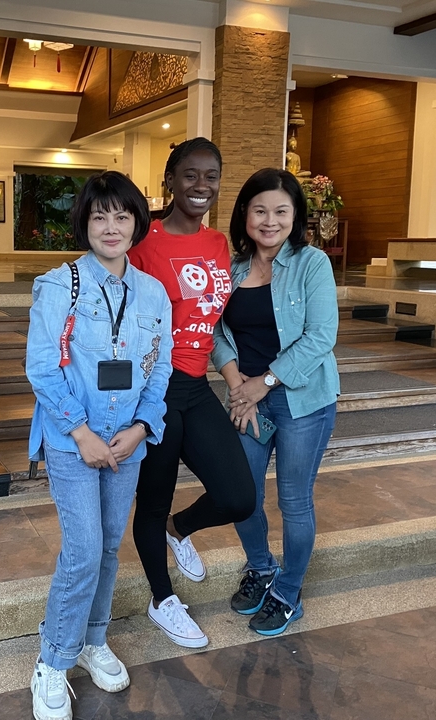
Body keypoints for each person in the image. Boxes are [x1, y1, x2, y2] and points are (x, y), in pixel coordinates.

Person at [25, 170, 173, 720]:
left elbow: (157, 372)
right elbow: (42, 367)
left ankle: (92, 640)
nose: (111, 227)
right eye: (99, 216)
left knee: (110, 548)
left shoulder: (153, 292)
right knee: (83, 551)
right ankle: (52, 661)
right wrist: (81, 433)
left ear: (137, 222)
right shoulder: (59, 285)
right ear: (84, 223)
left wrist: (140, 429)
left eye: (122, 215)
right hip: (74, 442)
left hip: (126, 440)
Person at [127, 137, 257, 649]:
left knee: (238, 495)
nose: (201, 186)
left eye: (211, 177)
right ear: (169, 182)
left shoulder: (219, 244)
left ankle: (180, 530)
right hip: (155, 388)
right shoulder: (143, 245)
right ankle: (162, 600)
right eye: (190, 175)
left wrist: (239, 376)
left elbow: (216, 319)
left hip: (197, 384)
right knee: (152, 501)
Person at [212, 167, 339, 637]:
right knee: (242, 496)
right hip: (248, 400)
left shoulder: (312, 264)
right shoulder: (231, 270)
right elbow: (215, 332)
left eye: (281, 211)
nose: (269, 220)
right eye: (259, 210)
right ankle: (261, 567)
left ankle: (288, 591)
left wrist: (263, 383)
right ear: (244, 214)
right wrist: (235, 382)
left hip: (303, 401)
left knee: (294, 501)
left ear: (295, 216)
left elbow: (321, 336)